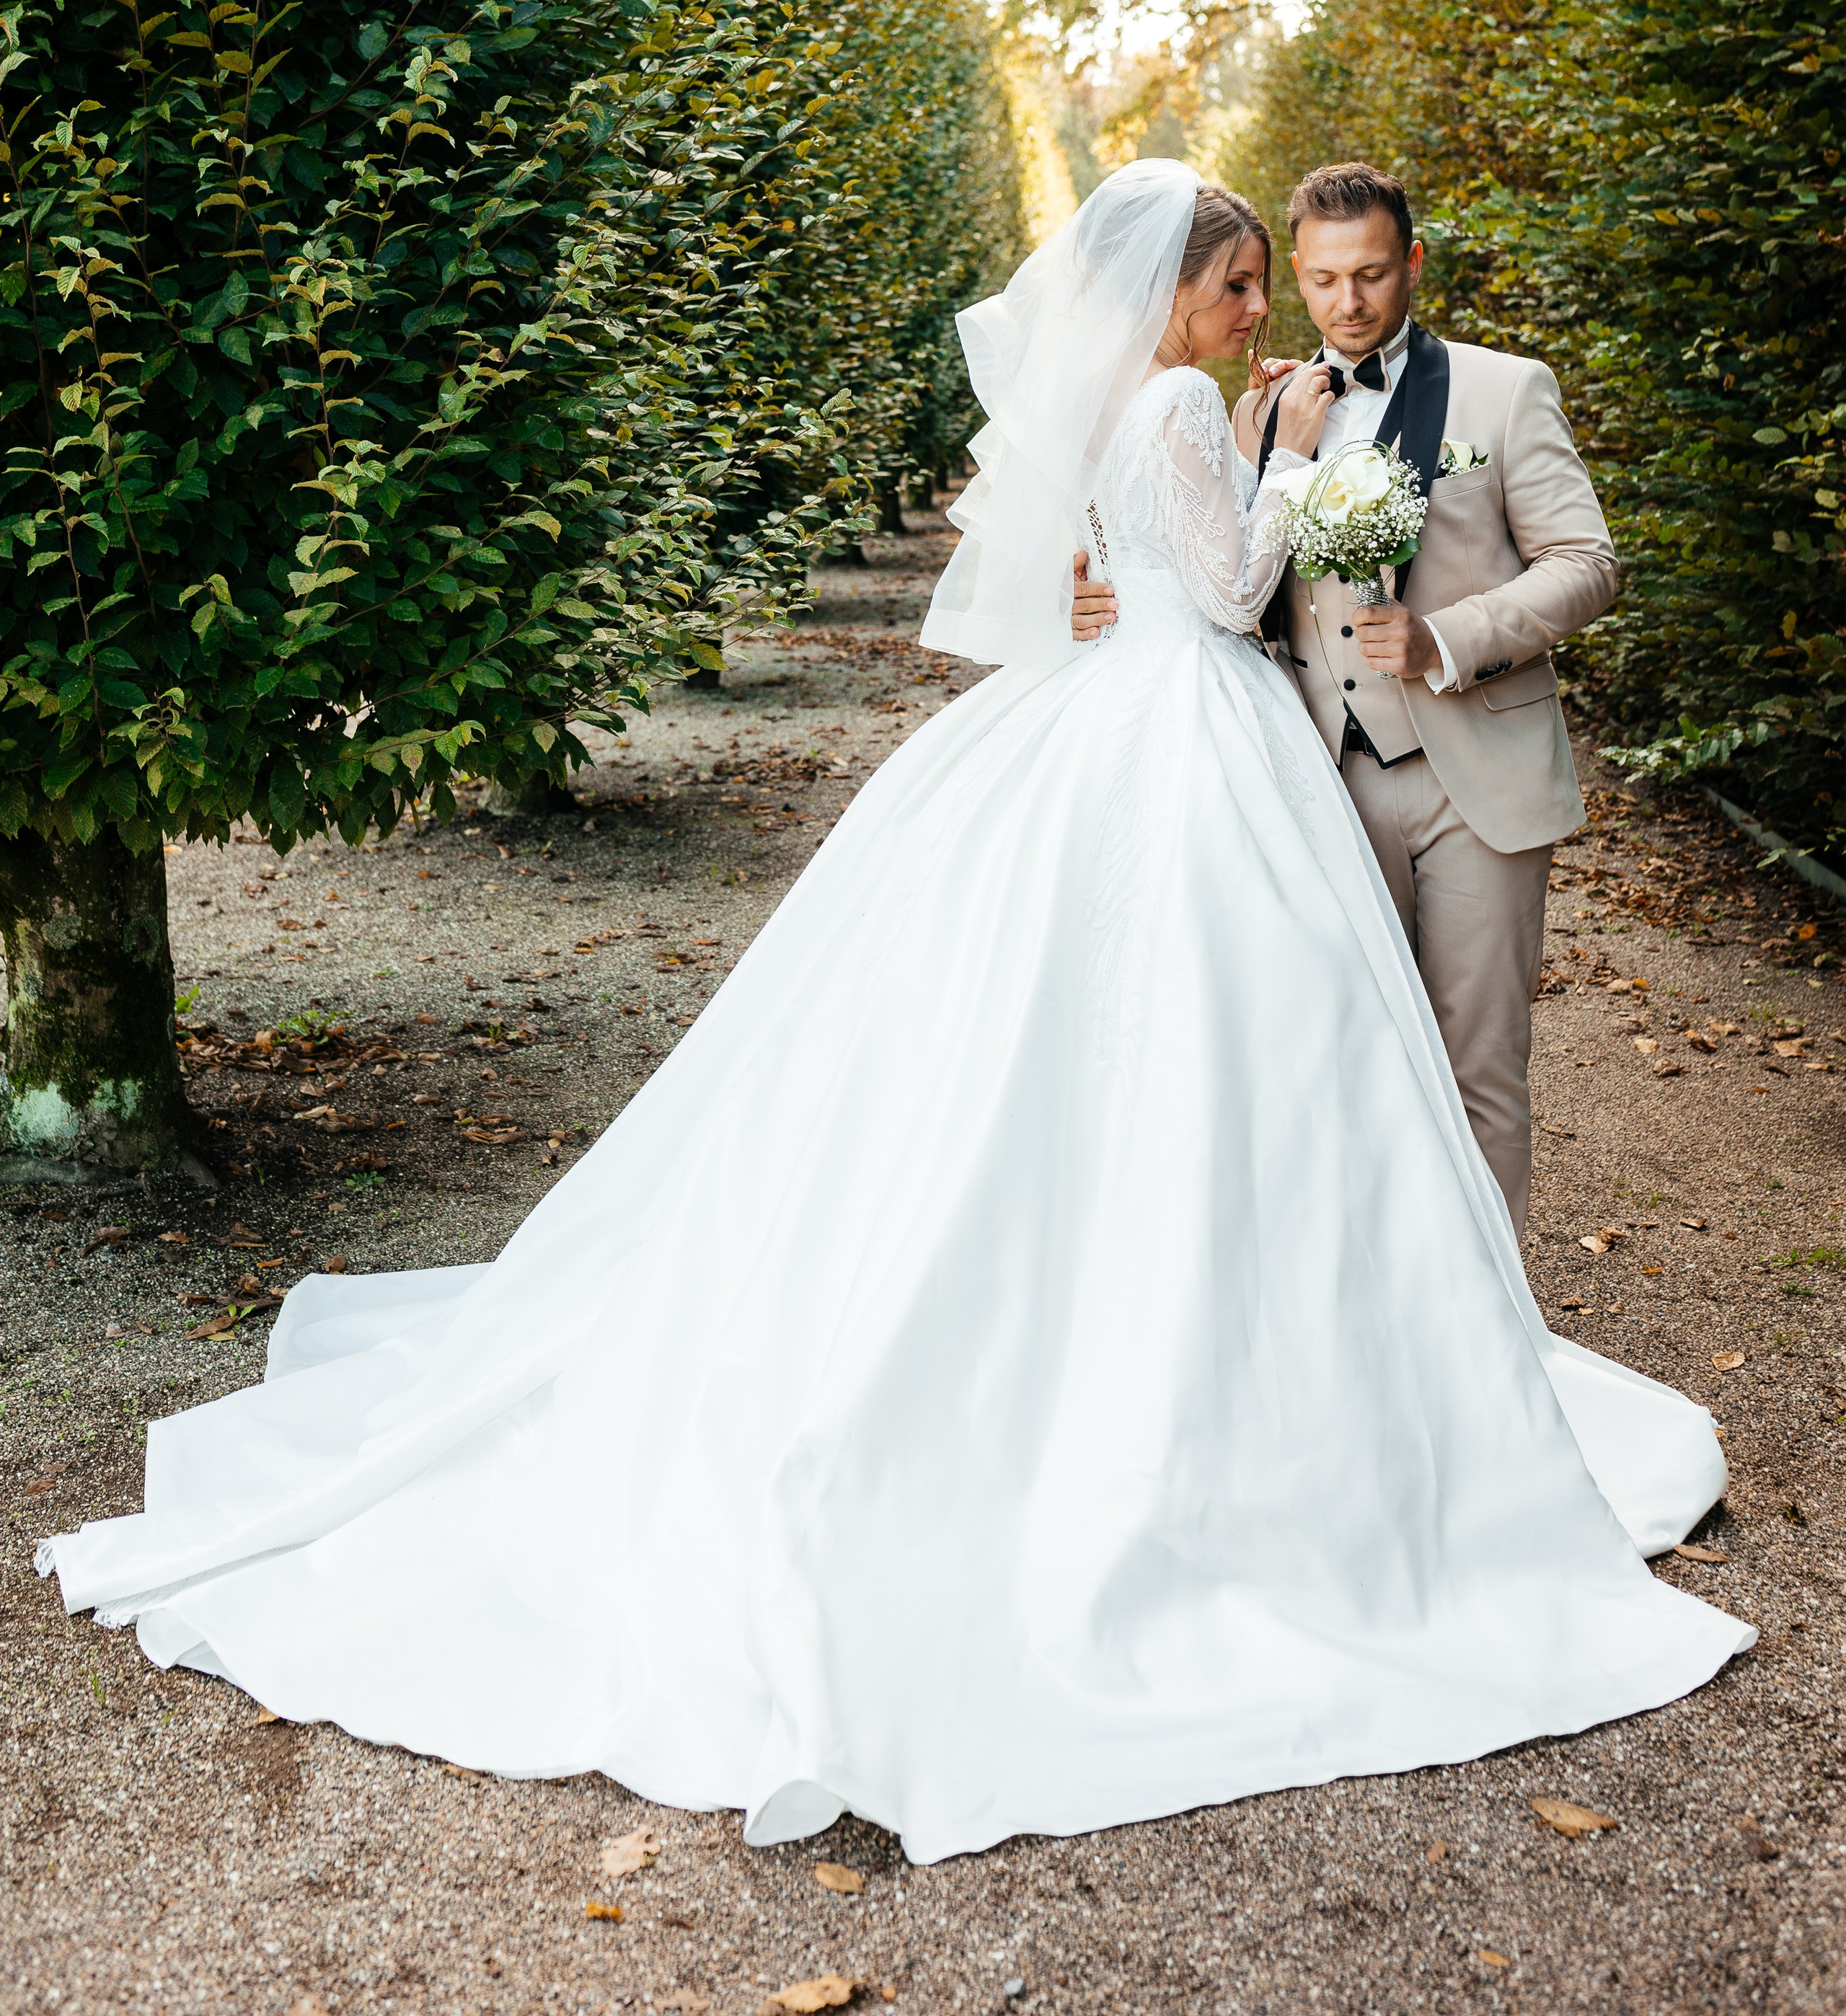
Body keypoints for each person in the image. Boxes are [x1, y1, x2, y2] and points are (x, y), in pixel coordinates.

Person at [41, 162, 1747, 1868]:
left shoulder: (1179, 397)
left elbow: (1122, 556)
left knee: (1247, 1065)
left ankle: (1408, 1361)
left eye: (1277, 290)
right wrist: (1290, 466)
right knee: (1221, 1060)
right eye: (1244, 288)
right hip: (1188, 730)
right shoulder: (1184, 402)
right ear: (1184, 293)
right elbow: (1229, 591)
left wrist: (1193, 531)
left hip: (1207, 730)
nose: (1265, 317)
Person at [1072, 162, 1616, 1235]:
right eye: (1321, 281)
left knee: (1479, 1070)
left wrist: (1445, 638)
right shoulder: (1258, 402)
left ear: (1410, 264)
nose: (1346, 303)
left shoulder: (1506, 390)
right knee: (1345, 1067)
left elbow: (1588, 563)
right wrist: (1090, 589)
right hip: (1314, 782)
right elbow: (1210, 564)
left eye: (1370, 275)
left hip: (1476, 786)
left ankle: (1495, 1347)